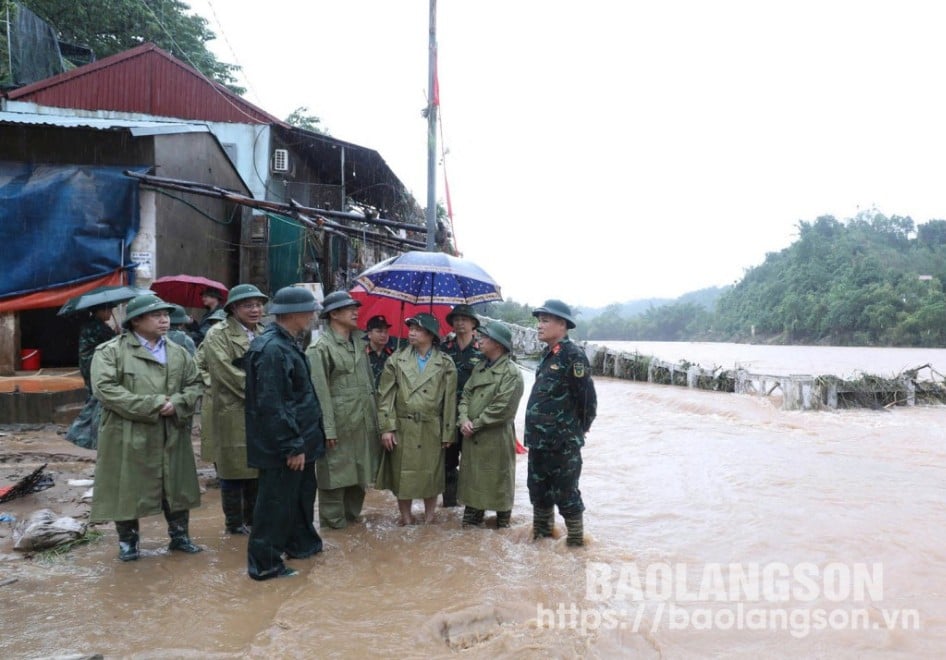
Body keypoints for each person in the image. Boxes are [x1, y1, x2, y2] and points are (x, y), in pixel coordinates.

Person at [89, 294, 203, 561]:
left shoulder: (178, 352)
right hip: (127, 431)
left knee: (175, 483)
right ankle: (128, 542)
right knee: (125, 485)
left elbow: (195, 383)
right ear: (136, 320)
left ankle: (180, 537)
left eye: (166, 314)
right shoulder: (111, 352)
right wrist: (151, 404)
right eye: (157, 315)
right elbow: (105, 390)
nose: (165, 320)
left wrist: (178, 402)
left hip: (171, 429)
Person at [244, 286, 325, 580]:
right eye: (309, 311)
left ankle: (303, 547)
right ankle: (264, 566)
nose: (313, 316)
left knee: (300, 498)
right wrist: (292, 445)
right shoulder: (272, 349)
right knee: (275, 505)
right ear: (292, 314)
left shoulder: (287, 343)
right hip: (284, 446)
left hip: (302, 440)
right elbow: (273, 404)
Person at [525, 299, 597, 547]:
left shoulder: (573, 357)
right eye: (539, 320)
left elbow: (587, 401)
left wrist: (575, 431)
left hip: (562, 443)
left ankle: (576, 546)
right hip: (539, 442)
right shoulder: (548, 355)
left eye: (545, 320)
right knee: (539, 492)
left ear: (562, 325)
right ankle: (541, 542)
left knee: (566, 494)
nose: (539, 326)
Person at [306, 291, 381, 529]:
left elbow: (370, 384)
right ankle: (334, 529)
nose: (355, 312)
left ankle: (352, 526)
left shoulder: (359, 343)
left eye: (355, 307)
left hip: (363, 422)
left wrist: (378, 421)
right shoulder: (320, 348)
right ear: (334, 314)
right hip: (338, 424)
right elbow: (320, 393)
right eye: (349, 308)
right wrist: (327, 429)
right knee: (334, 478)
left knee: (359, 476)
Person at [376, 313, 457, 525]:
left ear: (430, 335)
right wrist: (387, 427)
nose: (411, 332)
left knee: (431, 474)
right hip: (404, 425)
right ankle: (406, 518)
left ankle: (429, 520)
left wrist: (448, 432)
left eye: (418, 329)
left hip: (432, 427)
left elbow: (450, 401)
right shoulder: (396, 359)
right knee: (403, 475)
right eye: (410, 328)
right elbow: (385, 396)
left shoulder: (445, 363)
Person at [202, 284, 268, 535]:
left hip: (261, 411)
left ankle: (253, 519)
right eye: (248, 305)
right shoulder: (218, 334)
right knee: (233, 468)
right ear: (233, 308)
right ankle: (234, 524)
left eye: (259, 304)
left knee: (257, 466)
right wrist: (264, 394)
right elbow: (225, 374)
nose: (255, 310)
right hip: (232, 410)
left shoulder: (265, 331)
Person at [457, 320, 524, 528]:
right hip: (472, 439)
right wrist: (463, 419)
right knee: (471, 509)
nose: (479, 339)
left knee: (500, 499)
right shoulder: (480, 367)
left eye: (485, 337)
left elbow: (502, 409)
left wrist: (474, 425)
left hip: (496, 441)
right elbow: (466, 395)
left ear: (498, 344)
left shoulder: (511, 373)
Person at [440, 304, 483, 507]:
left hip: (472, 417)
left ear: (473, 323)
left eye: (464, 319)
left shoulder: (483, 351)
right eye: (456, 319)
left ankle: (472, 507)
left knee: (474, 464)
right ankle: (450, 507)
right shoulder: (443, 350)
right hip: (447, 416)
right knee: (447, 464)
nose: (460, 323)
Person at [65, 303, 117, 449]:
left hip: (89, 365)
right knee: (95, 399)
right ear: (101, 310)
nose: (110, 313)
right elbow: (115, 342)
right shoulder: (98, 327)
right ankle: (79, 433)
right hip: (96, 366)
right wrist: (118, 334)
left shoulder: (90, 324)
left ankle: (84, 434)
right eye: (109, 310)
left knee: (93, 397)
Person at [194, 308, 227, 465]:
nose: (216, 326)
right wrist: (210, 380)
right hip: (214, 395)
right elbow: (197, 366)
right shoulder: (206, 343)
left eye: (219, 322)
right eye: (213, 323)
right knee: (214, 437)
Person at [364, 314, 396, 388]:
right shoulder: (362, 354)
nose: (383, 335)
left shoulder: (393, 355)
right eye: (379, 331)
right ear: (369, 334)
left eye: (386, 332)